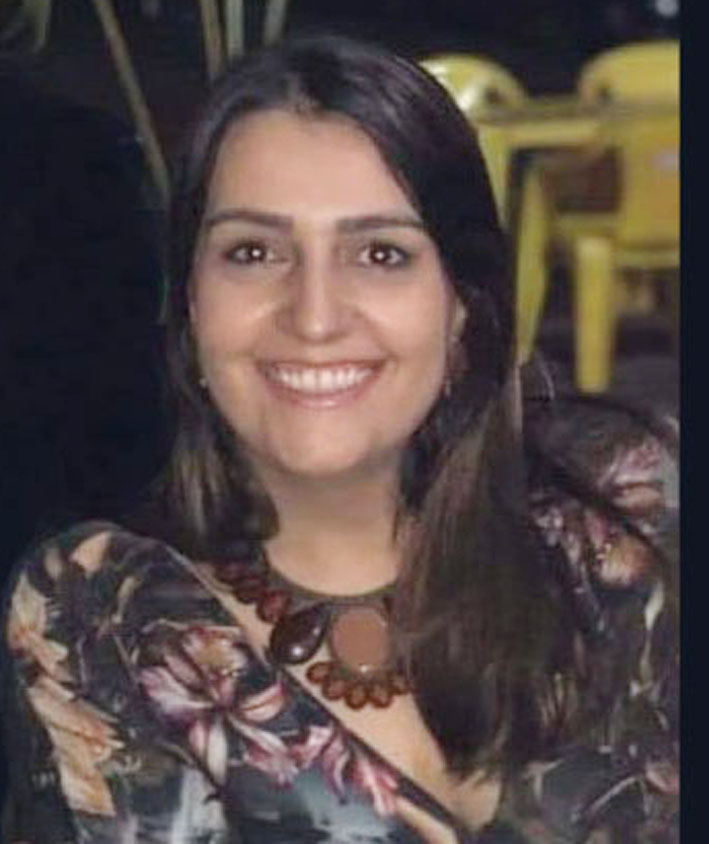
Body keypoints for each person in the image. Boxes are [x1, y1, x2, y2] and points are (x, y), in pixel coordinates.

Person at [1, 34, 678, 842]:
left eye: (380, 253)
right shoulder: (106, 616)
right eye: (253, 252)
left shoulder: (621, 511)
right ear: (191, 308)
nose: (314, 316)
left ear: (460, 308)